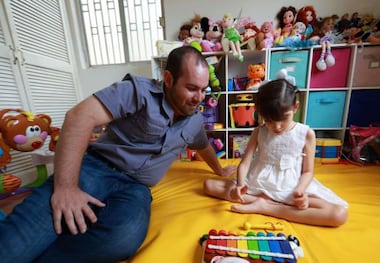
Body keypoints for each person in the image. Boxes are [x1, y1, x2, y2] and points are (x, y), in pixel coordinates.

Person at [0, 46, 237, 263]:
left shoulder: (195, 120)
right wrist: (66, 188)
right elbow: (79, 117)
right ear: (168, 79)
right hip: (96, 168)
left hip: (135, 188)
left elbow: (203, 146)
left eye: (203, 90)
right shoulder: (138, 91)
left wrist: (219, 170)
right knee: (15, 246)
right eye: (191, 88)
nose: (199, 97)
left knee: (123, 238)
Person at [204, 79, 348, 227]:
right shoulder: (259, 131)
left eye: (283, 119)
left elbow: (308, 171)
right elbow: (245, 162)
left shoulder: (306, 133)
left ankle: (267, 207)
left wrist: (300, 191)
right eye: (269, 120)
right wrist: (240, 185)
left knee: (338, 215)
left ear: (295, 107)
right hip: (257, 182)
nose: (277, 127)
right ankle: (267, 202)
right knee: (209, 185)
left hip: (289, 187)